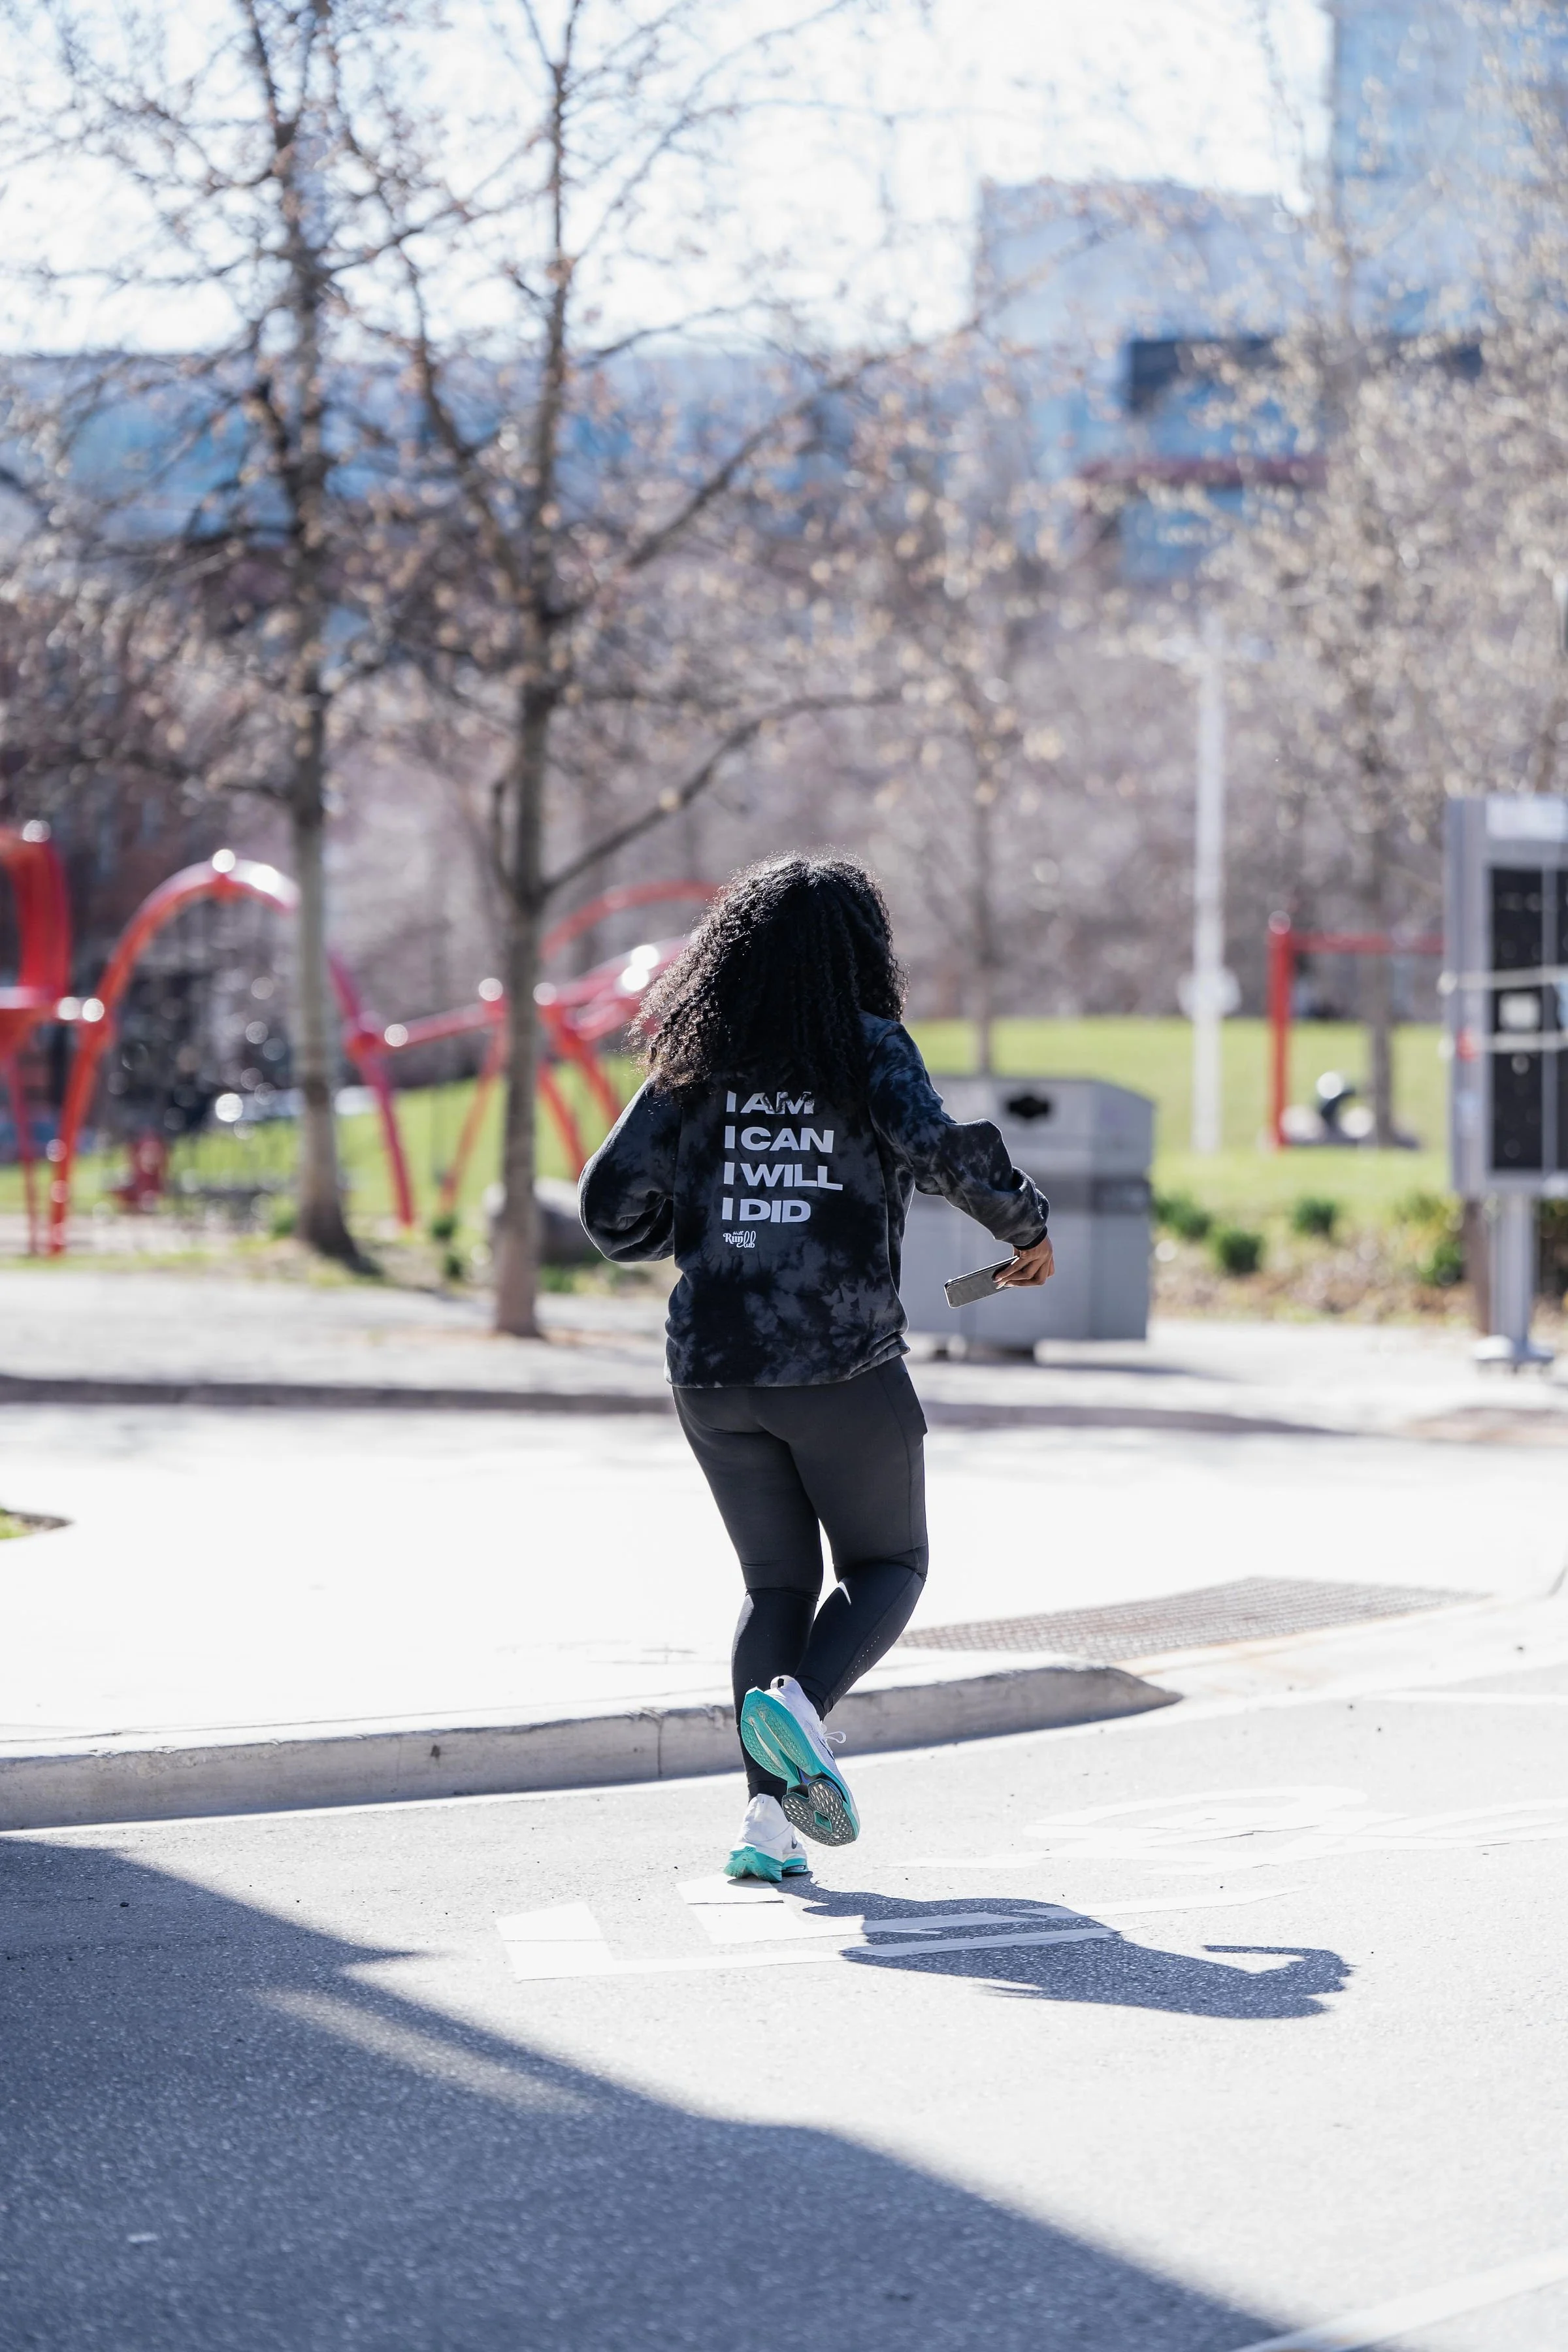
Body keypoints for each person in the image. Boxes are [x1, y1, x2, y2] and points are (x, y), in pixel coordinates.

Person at [578, 854, 1053, 1882]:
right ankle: (802, 1710)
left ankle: (766, 1828)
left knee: (775, 1587)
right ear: (861, 955)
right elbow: (942, 1150)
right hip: (839, 1364)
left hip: (711, 1370)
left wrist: (698, 1229)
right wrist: (1027, 1225)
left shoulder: (691, 1064)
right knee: (890, 1567)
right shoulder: (868, 1048)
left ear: (730, 958)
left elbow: (609, 1202)